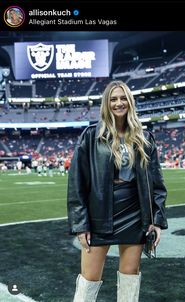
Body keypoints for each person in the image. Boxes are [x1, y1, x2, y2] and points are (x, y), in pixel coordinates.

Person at [67, 80, 168, 302]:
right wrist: (80, 223)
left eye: (123, 98)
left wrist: (156, 219)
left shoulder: (144, 137)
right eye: (113, 99)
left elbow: (156, 182)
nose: (118, 103)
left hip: (134, 213)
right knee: (89, 279)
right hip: (99, 213)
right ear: (106, 103)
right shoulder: (91, 136)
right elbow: (77, 182)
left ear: (130, 102)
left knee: (130, 275)